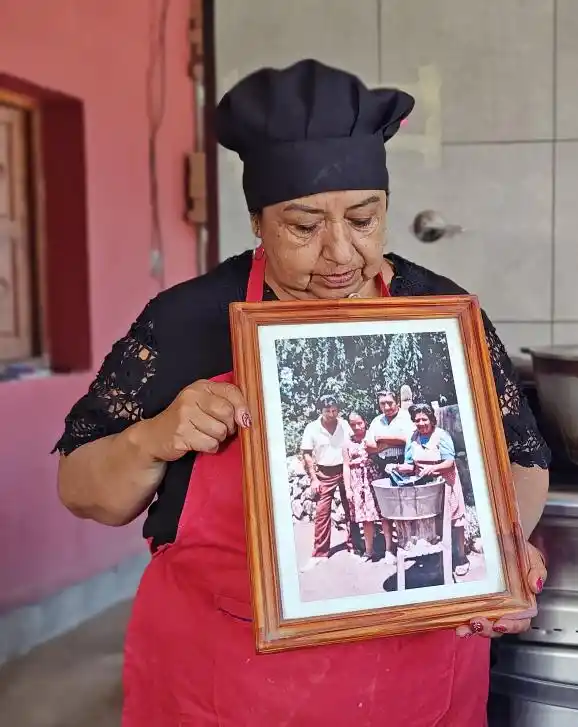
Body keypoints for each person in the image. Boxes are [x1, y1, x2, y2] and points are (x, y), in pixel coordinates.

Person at [53, 59, 550, 726]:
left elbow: (520, 456)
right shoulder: (186, 320)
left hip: (415, 680)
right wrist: (155, 434)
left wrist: (497, 549)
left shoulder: (439, 313)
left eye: (364, 219)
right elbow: (82, 487)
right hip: (228, 682)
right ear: (258, 220)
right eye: (304, 225)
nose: (340, 253)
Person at [388, 402, 470, 577]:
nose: (421, 423)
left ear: (431, 419)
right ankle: (440, 560)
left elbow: (449, 462)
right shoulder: (413, 438)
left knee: (455, 521)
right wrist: (395, 467)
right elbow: (410, 465)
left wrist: (432, 469)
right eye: (417, 420)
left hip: (446, 482)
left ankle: (461, 557)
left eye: (424, 419)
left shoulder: (442, 436)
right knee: (435, 522)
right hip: (427, 486)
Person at [299, 394, 353, 572]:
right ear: (320, 410)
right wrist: (314, 478)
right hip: (324, 472)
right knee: (322, 513)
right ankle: (319, 554)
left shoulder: (344, 424)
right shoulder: (312, 428)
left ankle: (355, 546)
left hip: (346, 469)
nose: (332, 413)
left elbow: (354, 443)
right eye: (328, 410)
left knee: (351, 507)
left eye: (335, 410)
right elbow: (306, 454)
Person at [343, 411, 392, 562]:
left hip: (375, 479)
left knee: (384, 515)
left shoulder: (372, 438)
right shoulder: (347, 443)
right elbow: (346, 466)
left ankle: (389, 550)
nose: (357, 427)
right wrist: (348, 488)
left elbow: (385, 447)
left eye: (360, 423)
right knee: (365, 518)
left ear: (365, 422)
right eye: (353, 424)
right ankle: (368, 551)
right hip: (358, 483)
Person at [365, 388, 415, 470]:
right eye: (382, 404)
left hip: (402, 463)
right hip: (381, 464)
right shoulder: (376, 421)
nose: (386, 407)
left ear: (397, 402)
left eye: (390, 403)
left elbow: (408, 440)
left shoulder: (408, 417)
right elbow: (369, 447)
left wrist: (380, 438)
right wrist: (390, 444)